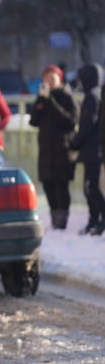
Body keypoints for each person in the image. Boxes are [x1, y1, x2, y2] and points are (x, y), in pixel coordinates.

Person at [28, 64, 79, 230]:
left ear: (60, 79)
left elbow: (70, 120)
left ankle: (62, 219)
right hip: (46, 151)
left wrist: (51, 102)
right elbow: (33, 121)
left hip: (62, 149)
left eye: (53, 78)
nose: (49, 82)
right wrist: (41, 101)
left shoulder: (67, 97)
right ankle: (54, 216)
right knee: (48, 184)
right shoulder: (43, 97)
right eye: (46, 78)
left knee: (61, 186)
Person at [72, 63, 105, 235]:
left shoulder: (92, 96)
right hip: (93, 149)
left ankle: (99, 219)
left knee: (91, 187)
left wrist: (74, 143)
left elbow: (88, 124)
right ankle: (94, 219)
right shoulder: (95, 94)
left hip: (93, 150)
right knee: (90, 187)